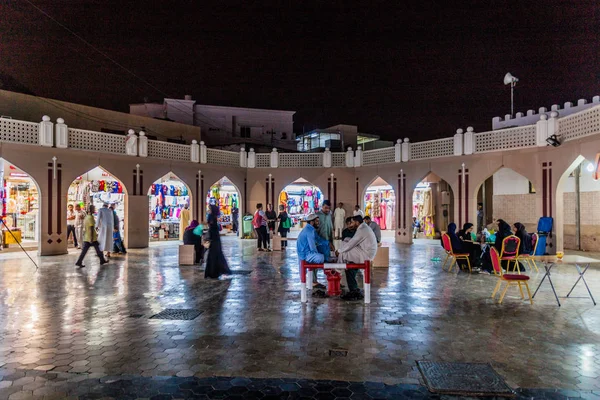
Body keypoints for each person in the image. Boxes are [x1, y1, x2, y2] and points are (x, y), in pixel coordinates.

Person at [335, 216, 378, 300]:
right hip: (363, 252)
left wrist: (339, 251)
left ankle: (338, 268)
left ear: (357, 222)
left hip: (366, 255)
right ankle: (341, 265)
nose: (351, 224)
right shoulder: (362, 227)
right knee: (345, 241)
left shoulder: (362, 229)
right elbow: (350, 242)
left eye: (352, 222)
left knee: (344, 250)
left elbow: (352, 243)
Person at [297, 213, 331, 289]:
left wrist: (328, 243)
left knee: (324, 248)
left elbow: (318, 239)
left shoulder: (311, 229)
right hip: (305, 255)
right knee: (321, 257)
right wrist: (322, 257)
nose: (318, 223)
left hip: (307, 253)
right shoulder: (309, 231)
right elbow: (312, 247)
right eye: (317, 221)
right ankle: (315, 280)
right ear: (312, 222)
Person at [205, 204, 231, 278]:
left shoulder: (211, 216)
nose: (209, 210)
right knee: (217, 255)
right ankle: (217, 271)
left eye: (210, 209)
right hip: (215, 238)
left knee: (213, 255)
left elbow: (210, 225)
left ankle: (212, 272)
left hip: (214, 238)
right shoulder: (214, 216)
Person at [315, 200, 335, 284]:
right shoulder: (317, 215)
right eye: (326, 208)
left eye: (329, 208)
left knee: (327, 261)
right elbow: (314, 231)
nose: (327, 210)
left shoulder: (329, 215)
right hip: (318, 243)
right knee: (316, 263)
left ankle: (331, 280)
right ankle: (314, 281)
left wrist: (331, 242)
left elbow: (330, 229)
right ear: (322, 206)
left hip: (327, 243)